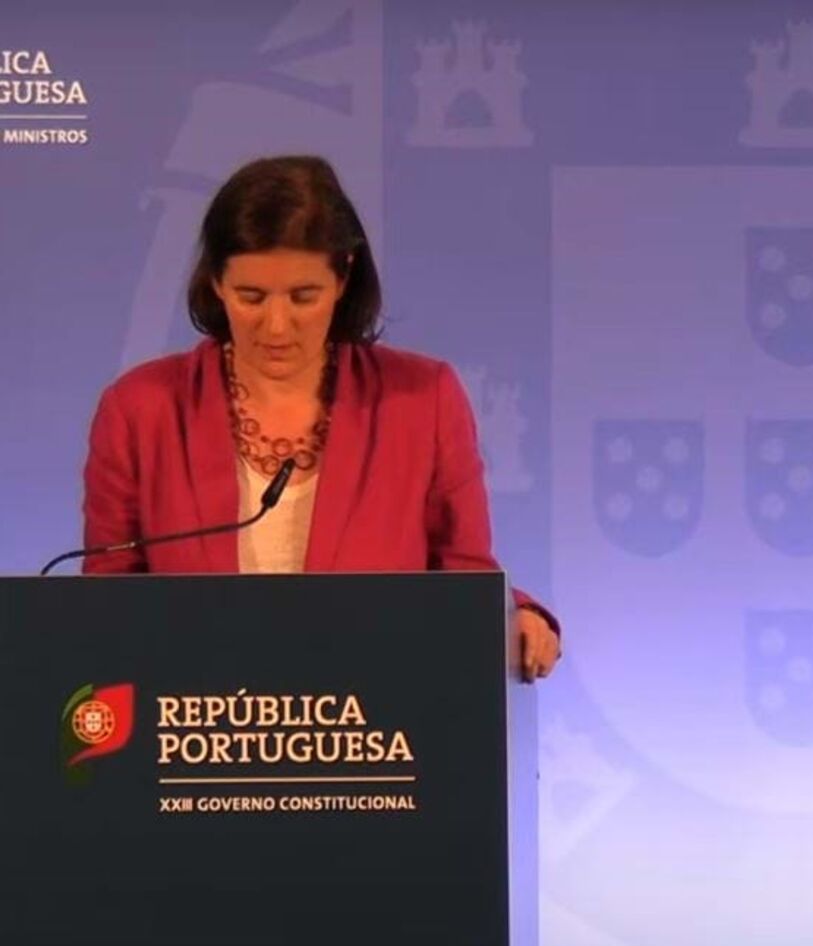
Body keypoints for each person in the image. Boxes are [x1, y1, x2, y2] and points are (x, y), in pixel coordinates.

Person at [81, 155, 561, 677]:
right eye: (251, 296)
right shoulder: (140, 409)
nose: (277, 325)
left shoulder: (424, 401)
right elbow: (108, 602)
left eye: (303, 296)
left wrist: (517, 617)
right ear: (216, 281)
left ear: (343, 277)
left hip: (378, 708)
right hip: (194, 710)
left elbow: (463, 580)